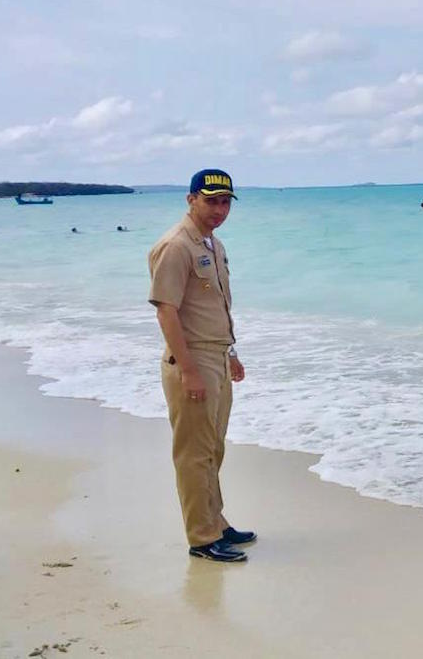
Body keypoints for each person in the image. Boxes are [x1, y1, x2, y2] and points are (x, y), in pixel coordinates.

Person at [147, 168, 253, 563]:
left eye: (225, 202)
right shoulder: (175, 247)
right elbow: (167, 312)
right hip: (190, 357)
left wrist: (230, 353)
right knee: (194, 453)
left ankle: (216, 522)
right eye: (211, 201)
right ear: (191, 199)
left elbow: (214, 307)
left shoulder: (213, 244)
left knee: (213, 448)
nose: (219, 209)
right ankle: (202, 537)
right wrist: (188, 368)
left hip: (216, 355)